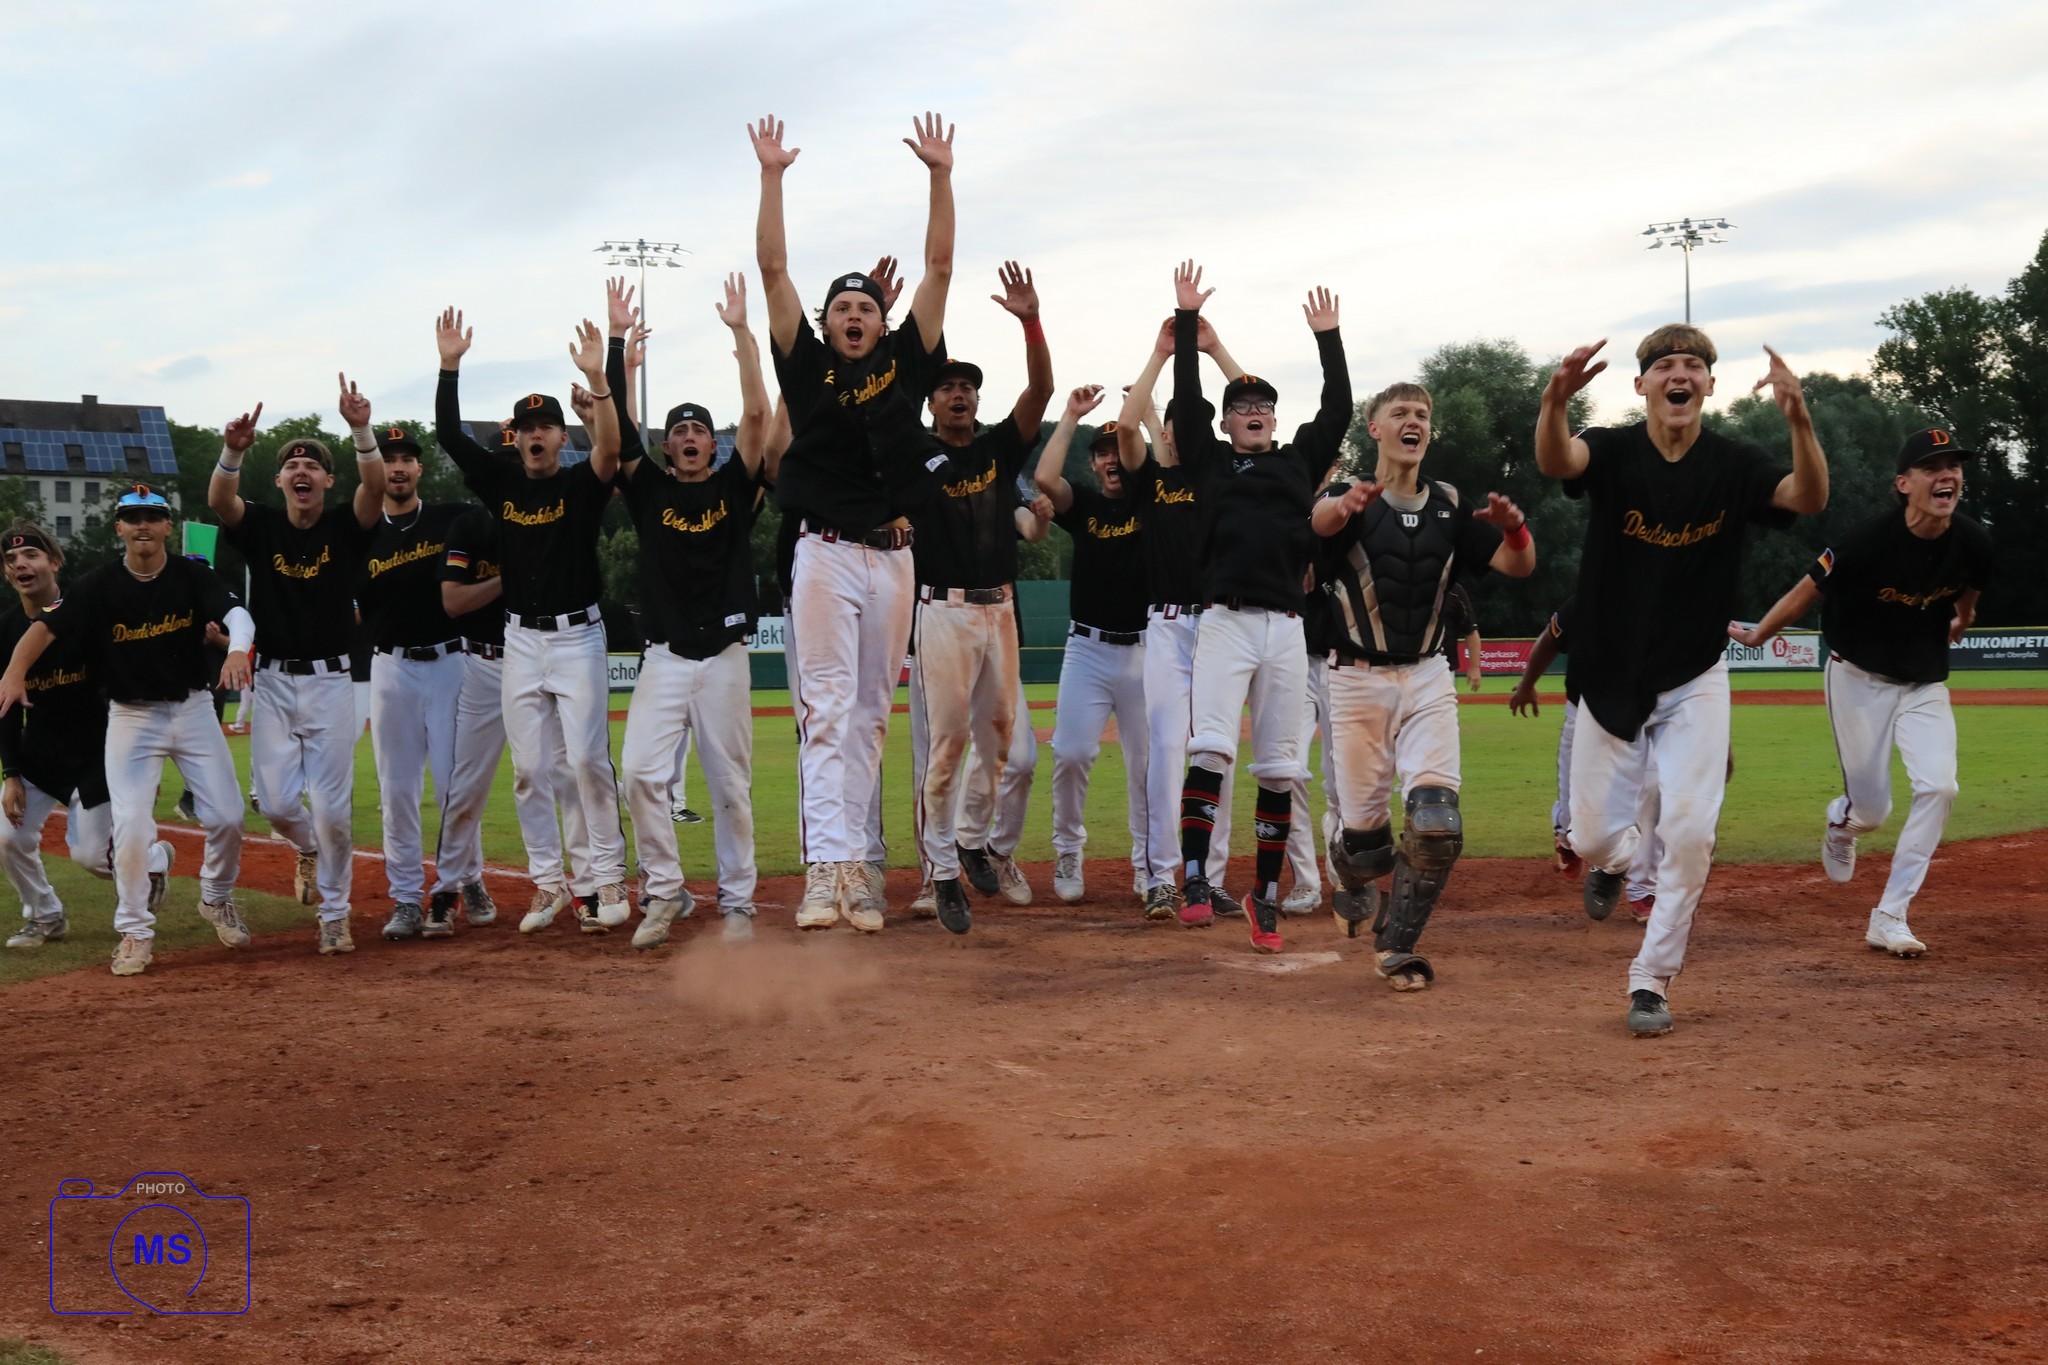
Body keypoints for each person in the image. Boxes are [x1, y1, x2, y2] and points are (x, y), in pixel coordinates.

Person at [1536, 324, 1827, 1037]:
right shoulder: (1612, 450)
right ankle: (1615, 863)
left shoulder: (1734, 463)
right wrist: (1554, 401)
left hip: (1694, 671)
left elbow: (1807, 498)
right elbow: (1558, 459)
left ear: (1709, 385)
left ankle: (1651, 979)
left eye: (1693, 365)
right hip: (1608, 670)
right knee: (1596, 837)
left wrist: (1800, 421)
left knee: (1692, 830)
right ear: (1641, 386)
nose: (1680, 373)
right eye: (1664, 364)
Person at [752, 112, 957, 932]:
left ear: (881, 319)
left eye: (862, 303)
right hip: (826, 553)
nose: (850, 312)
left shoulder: (908, 363)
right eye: (839, 305)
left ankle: (858, 876)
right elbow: (772, 266)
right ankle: (825, 874)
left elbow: (941, 263)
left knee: (872, 711)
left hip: (895, 556)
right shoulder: (804, 369)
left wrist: (940, 175)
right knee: (828, 705)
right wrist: (772, 176)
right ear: (828, 324)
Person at [1729, 427, 1991, 959]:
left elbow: (1969, 589)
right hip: (1856, 677)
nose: (1949, 474)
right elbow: (1805, 594)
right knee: (1872, 812)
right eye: (1933, 465)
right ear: (1904, 483)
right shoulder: (1866, 541)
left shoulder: (1973, 540)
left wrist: (1963, 618)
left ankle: (1890, 915)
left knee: (1940, 787)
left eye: (1954, 465)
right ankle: (1842, 823)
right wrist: (1759, 636)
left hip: (1922, 683)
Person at [1313, 380, 1536, 988]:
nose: (1413, 421)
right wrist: (1346, 503)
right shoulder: (1345, 497)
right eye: (1400, 413)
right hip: (1356, 684)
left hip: (1428, 675)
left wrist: (1515, 529)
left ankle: (1398, 946)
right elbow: (1319, 521)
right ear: (1375, 427)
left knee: (1437, 824)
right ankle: (1348, 862)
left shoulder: (1450, 504)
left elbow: (1520, 565)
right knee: (1369, 848)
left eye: (1422, 414)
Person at [1167, 263, 1351, 951]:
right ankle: (1192, 880)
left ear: (1275, 420)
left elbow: (1337, 410)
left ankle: (1266, 897)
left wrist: (1328, 339)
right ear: (1226, 421)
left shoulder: (1298, 462)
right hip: (1225, 620)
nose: (1254, 411)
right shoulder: (1211, 463)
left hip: (1286, 629)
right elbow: (1186, 402)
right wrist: (1187, 323)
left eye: (1264, 407)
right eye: (1242, 406)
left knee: (1279, 768)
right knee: (1211, 747)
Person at [0, 486, 254, 976]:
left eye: (152, 517)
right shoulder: (97, 586)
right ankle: (135, 930)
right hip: (132, 717)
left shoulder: (192, 574)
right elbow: (45, 627)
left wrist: (239, 646)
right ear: (119, 527)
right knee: (132, 827)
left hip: (193, 708)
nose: (142, 525)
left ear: (165, 525)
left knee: (227, 818)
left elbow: (235, 613)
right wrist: (13, 673)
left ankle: (216, 896)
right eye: (132, 517)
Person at [433, 307, 626, 936]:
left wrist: (600, 383)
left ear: (563, 438)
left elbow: (614, 449)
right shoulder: (502, 486)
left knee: (587, 764)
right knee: (528, 769)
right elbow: (449, 436)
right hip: (520, 639)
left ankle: (605, 880)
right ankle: (548, 885)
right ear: (513, 438)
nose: (537, 435)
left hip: (578, 638)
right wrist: (450, 367)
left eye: (547, 426)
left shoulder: (581, 484)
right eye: (527, 428)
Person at [608, 273, 768, 948]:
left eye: (701, 428)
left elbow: (758, 416)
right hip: (666, 656)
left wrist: (740, 335)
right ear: (668, 446)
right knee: (640, 773)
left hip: (726, 656)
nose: (692, 435)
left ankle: (737, 901)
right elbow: (616, 435)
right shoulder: (648, 492)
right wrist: (617, 348)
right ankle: (665, 890)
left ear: (713, 443)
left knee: (730, 783)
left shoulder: (735, 487)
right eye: (681, 429)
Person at [209, 378, 387, 954]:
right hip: (275, 681)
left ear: (327, 481)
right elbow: (220, 502)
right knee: (280, 803)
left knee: (335, 807)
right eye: (292, 463)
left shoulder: (344, 525)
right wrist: (233, 450)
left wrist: (361, 429)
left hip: (334, 682)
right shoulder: (261, 526)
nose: (302, 468)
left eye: (313, 463)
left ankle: (335, 914)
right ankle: (306, 848)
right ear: (281, 480)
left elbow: (376, 488)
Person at [906, 260, 1053, 934]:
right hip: (942, 610)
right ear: (931, 402)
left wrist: (1030, 320)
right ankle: (940, 873)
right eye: (947, 388)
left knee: (999, 744)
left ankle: (970, 840)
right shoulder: (913, 456)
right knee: (946, 748)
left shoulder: (996, 450)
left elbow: (1041, 389)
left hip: (1001, 609)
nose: (959, 395)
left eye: (966, 386)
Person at [1115, 316, 1245, 922]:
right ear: (1161, 432)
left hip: (1220, 626)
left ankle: (1207, 877)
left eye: (1185, 427)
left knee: (1213, 752)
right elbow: (1124, 422)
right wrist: (1160, 354)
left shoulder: (1220, 475)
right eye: (1169, 425)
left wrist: (1215, 350)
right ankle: (1160, 876)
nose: (1177, 434)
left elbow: (1253, 404)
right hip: (1166, 628)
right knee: (1168, 749)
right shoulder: (1152, 482)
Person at [1, 522, 174, 949]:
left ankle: (155, 859)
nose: (21, 563)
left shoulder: (88, 618)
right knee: (6, 836)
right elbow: (3, 707)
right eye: (10, 560)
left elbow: (128, 689)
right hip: (41, 755)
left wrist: (140, 767)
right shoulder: (4, 630)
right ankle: (45, 916)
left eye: (32, 555)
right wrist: (10, 772)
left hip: (98, 755)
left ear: (54, 562)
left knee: (93, 856)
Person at [438, 509, 596, 923]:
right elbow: (453, 601)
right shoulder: (471, 525)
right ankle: (448, 888)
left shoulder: (556, 513)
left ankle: (585, 888)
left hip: (550, 654)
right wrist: (514, 576)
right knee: (470, 783)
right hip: (483, 665)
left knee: (568, 772)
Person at [1033, 387, 1150, 906]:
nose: (1110, 459)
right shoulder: (1082, 504)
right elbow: (1043, 479)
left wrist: (1149, 414)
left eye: (1117, 449)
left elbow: (1176, 464)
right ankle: (1068, 848)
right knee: (1072, 751)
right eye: (1101, 451)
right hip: (1088, 648)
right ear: (1094, 462)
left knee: (1147, 764)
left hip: (1149, 651)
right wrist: (1070, 414)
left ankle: (1148, 862)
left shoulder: (1156, 500)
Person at [357, 422, 471, 941]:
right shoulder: (360, 533)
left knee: (454, 786)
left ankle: (459, 885)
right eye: (388, 457)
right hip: (391, 668)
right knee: (397, 790)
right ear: (374, 468)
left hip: (451, 663)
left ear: (420, 468)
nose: (397, 466)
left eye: (406, 458)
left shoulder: (451, 520)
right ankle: (405, 898)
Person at [1509, 597, 1661, 920]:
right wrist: (1527, 684)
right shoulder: (1585, 602)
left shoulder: (1659, 607)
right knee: (1575, 811)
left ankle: (1640, 887)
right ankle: (1565, 833)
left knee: (1652, 789)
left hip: (1640, 714)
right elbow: (1549, 640)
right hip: (1585, 713)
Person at [952, 493, 1053, 906]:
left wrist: (1042, 518)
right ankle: (937, 872)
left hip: (998, 631)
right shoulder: (927, 475)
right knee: (937, 756)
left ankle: (993, 851)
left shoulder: (997, 482)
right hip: (942, 628)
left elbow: (1030, 528)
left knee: (1023, 757)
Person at [1440, 582, 1485, 693]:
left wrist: (1475, 667)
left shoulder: (1454, 591)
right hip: (1405, 667)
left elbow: (1471, 632)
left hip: (1443, 669)